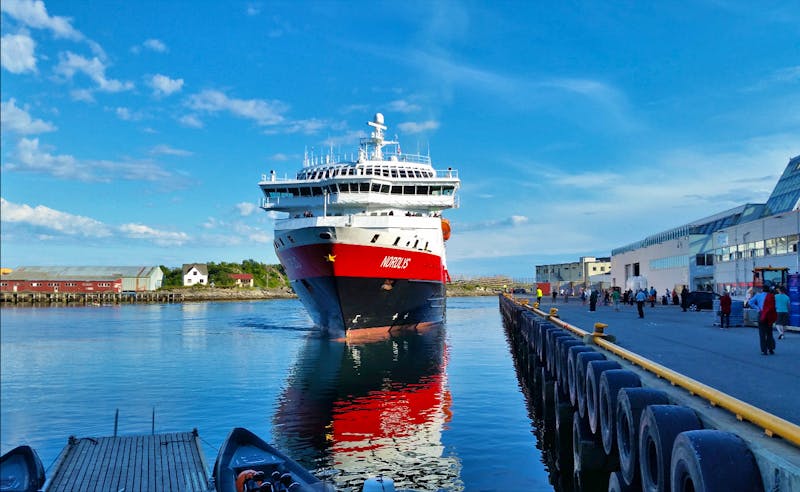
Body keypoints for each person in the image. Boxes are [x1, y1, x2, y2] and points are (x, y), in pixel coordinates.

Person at [750, 286, 777, 355]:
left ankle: (764, 350)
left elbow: (750, 302)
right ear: (769, 290)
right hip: (769, 315)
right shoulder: (771, 296)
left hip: (761, 314)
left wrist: (757, 308)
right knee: (769, 333)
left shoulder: (758, 295)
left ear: (762, 290)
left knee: (762, 333)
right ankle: (771, 349)